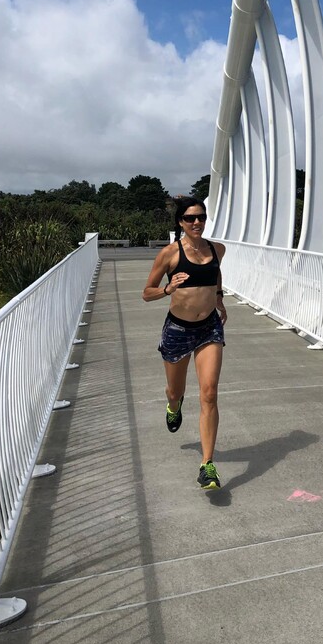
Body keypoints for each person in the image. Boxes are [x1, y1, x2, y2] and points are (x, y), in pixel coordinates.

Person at [142, 197, 227, 490]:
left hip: (209, 328)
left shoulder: (217, 249)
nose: (196, 222)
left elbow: (215, 273)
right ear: (180, 222)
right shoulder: (170, 254)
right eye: (190, 218)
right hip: (178, 330)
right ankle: (173, 405)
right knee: (175, 390)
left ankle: (207, 465)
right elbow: (147, 292)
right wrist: (168, 288)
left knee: (209, 393)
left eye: (201, 217)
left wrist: (219, 298)